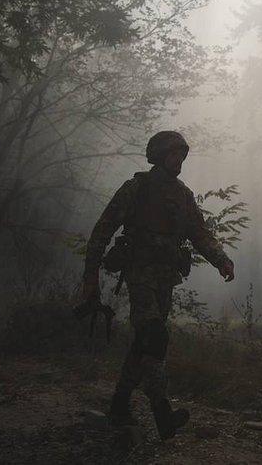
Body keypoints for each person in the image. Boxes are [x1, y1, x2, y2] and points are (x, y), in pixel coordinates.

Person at [81, 130, 235, 440]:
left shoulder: (183, 195)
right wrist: (91, 277)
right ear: (158, 156)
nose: (178, 160)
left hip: (166, 279)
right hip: (139, 273)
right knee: (153, 336)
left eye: (181, 155)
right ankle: (161, 410)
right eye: (172, 154)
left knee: (144, 344)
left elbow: (199, 233)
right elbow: (103, 229)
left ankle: (119, 406)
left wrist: (221, 259)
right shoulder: (137, 188)